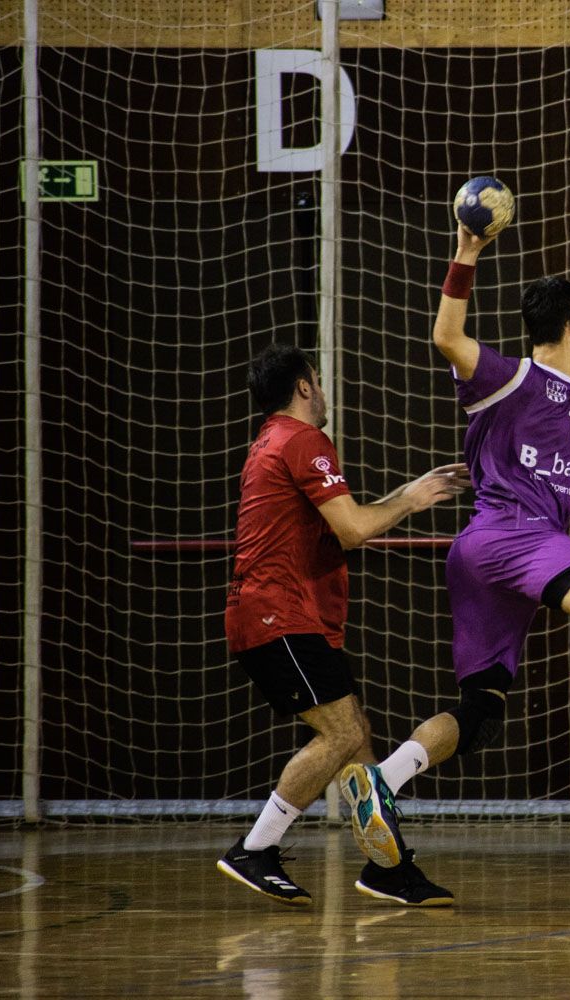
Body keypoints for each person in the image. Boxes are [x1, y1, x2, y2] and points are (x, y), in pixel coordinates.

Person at [336, 224, 570, 891]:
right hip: (510, 534)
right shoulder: (513, 376)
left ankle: (381, 782)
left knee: (481, 711)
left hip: (486, 549)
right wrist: (467, 254)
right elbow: (445, 338)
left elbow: (542, 473)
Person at [217, 344, 470, 906]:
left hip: (279, 615)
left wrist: (406, 494)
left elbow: (341, 523)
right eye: (320, 380)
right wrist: (410, 498)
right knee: (342, 735)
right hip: (277, 614)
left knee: (357, 741)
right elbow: (355, 530)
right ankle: (255, 849)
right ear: (305, 387)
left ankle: (390, 869)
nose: (325, 390)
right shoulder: (303, 440)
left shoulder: (271, 442)